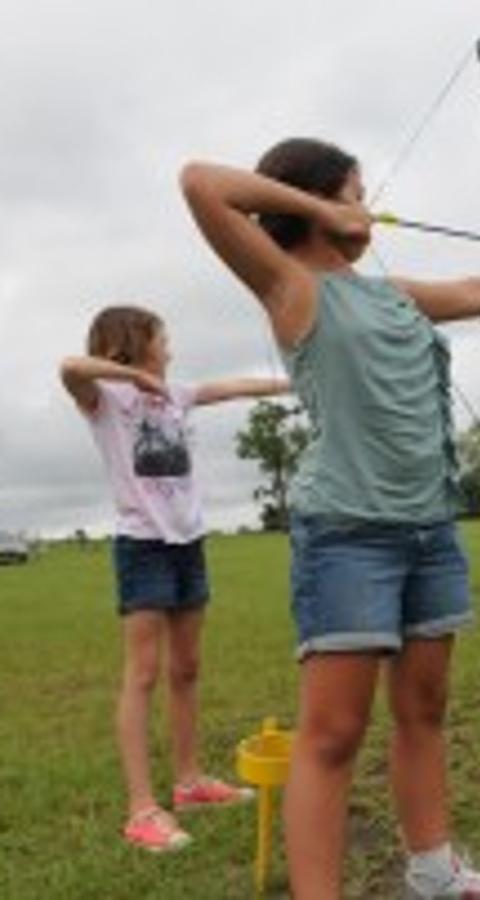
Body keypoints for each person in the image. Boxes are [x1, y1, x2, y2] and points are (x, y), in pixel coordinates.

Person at [179, 139, 480, 900]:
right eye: (357, 192)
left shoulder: (392, 294)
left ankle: (434, 873)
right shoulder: (289, 284)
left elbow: (473, 291)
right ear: (315, 201)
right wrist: (326, 209)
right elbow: (201, 184)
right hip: (348, 533)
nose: (368, 208)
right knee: (333, 734)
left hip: (430, 528)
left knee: (424, 709)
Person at [60, 306, 291, 851]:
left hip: (189, 543)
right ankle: (142, 810)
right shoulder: (105, 399)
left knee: (186, 669)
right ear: (133, 344)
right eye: (162, 339)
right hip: (143, 546)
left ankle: (189, 784)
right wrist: (132, 377)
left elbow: (231, 387)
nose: (170, 349)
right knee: (143, 673)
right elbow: (70, 367)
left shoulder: (177, 394)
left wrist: (290, 383)